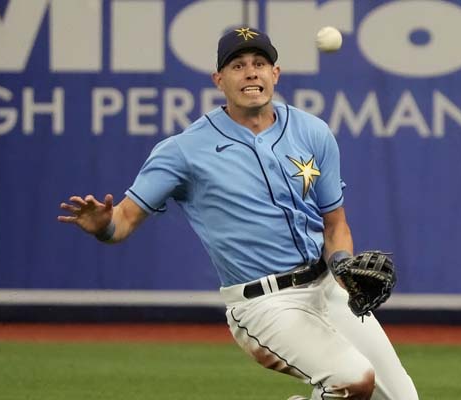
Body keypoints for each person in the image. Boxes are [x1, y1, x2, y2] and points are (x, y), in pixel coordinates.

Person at [58, 27, 418, 400]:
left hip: (326, 286)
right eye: (238, 65)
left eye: (260, 63)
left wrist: (342, 264)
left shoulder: (313, 132)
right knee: (352, 378)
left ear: (274, 74)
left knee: (403, 398)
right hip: (264, 304)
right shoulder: (184, 150)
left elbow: (335, 225)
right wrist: (103, 225)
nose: (251, 72)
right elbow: (124, 220)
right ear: (219, 79)